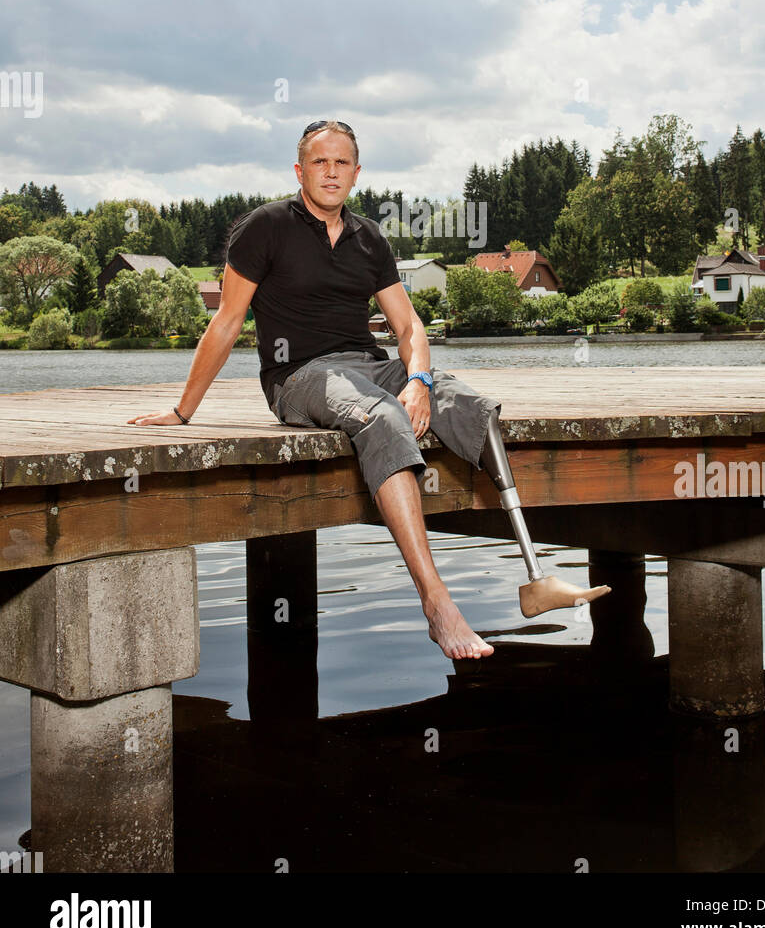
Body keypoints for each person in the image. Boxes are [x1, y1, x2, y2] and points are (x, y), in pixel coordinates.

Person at [128, 121, 606, 659]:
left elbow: (409, 328)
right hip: (301, 376)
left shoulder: (368, 238)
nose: (330, 172)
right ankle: (437, 604)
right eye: (319, 162)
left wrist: (421, 381)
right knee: (380, 417)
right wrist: (181, 410)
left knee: (473, 406)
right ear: (299, 170)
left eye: (341, 163)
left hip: (369, 365)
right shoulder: (263, 228)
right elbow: (227, 321)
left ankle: (536, 575)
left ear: (356, 173)